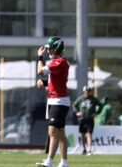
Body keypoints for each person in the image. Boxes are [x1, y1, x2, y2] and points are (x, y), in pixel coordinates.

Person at [35, 36, 70, 167]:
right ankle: (64, 162)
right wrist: (45, 83)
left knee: (53, 131)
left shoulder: (59, 62)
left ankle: (49, 161)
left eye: (51, 49)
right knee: (60, 133)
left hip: (59, 101)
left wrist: (39, 57)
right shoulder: (59, 62)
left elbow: (40, 71)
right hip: (55, 100)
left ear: (58, 48)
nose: (48, 51)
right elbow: (55, 80)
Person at [72, 85, 100, 155]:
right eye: (86, 91)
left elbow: (100, 105)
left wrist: (96, 113)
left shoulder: (93, 99)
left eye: (88, 91)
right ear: (84, 91)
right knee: (82, 134)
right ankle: (83, 149)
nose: (87, 92)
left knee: (89, 134)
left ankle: (89, 150)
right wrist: (77, 112)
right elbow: (74, 105)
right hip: (82, 119)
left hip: (90, 119)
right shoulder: (80, 99)